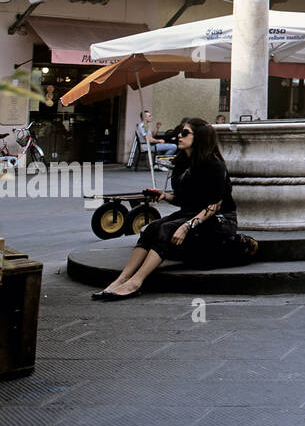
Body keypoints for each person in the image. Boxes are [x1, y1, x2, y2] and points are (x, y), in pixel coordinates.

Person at [95, 118, 250, 300]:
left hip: (219, 220)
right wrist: (164, 196)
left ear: (199, 137)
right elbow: (186, 200)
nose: (179, 136)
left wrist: (186, 226)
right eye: (179, 132)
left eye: (185, 133)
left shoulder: (214, 165)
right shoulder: (184, 163)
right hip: (193, 214)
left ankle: (136, 282)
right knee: (152, 228)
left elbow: (214, 205)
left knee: (166, 229)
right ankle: (122, 279)